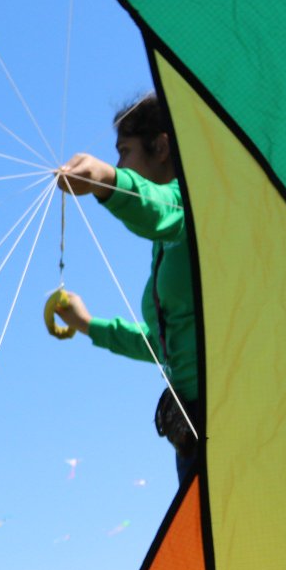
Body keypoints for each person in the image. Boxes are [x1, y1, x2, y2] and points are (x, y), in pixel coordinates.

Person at [53, 94, 202, 485]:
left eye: (125, 151)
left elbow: (156, 207)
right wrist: (87, 325)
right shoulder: (166, 242)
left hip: (226, 420)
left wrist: (106, 180)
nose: (120, 162)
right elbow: (160, 344)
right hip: (193, 436)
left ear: (162, 146)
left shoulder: (192, 206)